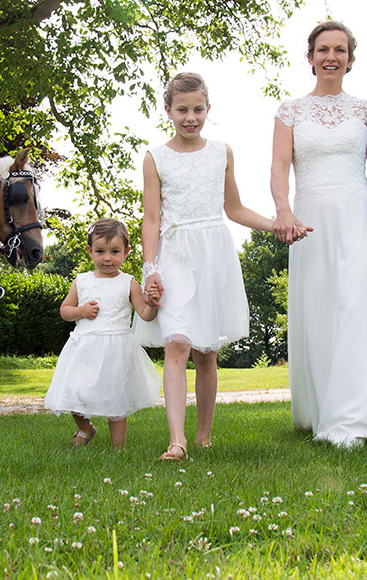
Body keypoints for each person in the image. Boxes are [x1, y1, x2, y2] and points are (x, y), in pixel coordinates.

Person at [271, 20, 367, 447]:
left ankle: (357, 415)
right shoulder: (289, 111)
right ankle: (322, 408)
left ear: (350, 59)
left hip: (357, 214)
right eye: (323, 49)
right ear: (310, 56)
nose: (331, 56)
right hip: (310, 219)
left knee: (358, 305)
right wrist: (283, 211)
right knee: (322, 307)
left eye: (340, 50)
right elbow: (279, 167)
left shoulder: (366, 110)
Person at [137, 72, 282, 461]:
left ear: (208, 109)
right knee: (178, 341)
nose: (190, 117)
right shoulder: (156, 158)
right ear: (167, 110)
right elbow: (151, 220)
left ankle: (203, 436)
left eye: (197, 109)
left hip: (214, 251)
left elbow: (233, 209)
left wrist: (276, 224)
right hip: (175, 254)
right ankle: (177, 440)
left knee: (206, 351)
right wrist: (150, 267)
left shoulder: (222, 152)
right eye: (182, 109)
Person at [45, 219, 163, 449]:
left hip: (116, 350)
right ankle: (85, 428)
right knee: (74, 391)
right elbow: (64, 311)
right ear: (89, 251)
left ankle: (118, 448)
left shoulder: (129, 282)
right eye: (100, 251)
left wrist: (153, 303)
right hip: (85, 349)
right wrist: (80, 311)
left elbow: (145, 314)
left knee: (114, 398)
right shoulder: (82, 281)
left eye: (114, 251)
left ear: (127, 252)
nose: (107, 258)